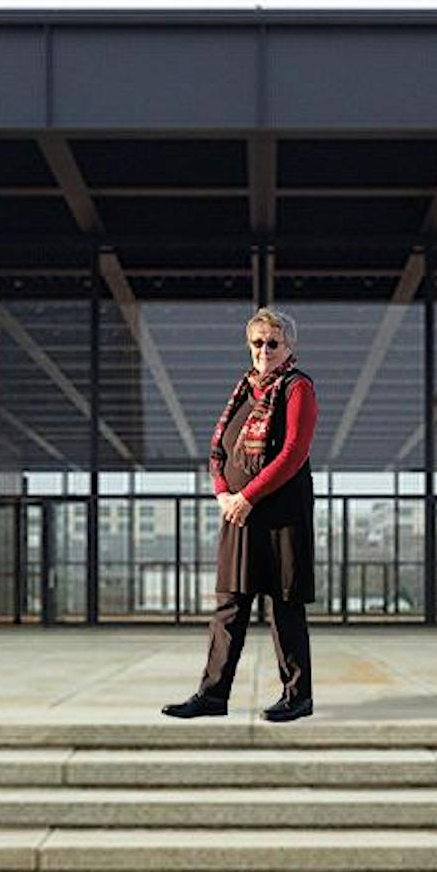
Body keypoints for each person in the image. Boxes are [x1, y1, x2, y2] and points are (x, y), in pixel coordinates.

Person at [163, 307, 317, 723]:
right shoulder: (243, 392)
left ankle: (297, 696)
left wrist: (247, 495)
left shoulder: (297, 387)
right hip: (240, 516)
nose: (264, 350)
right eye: (257, 342)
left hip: (282, 515)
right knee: (229, 606)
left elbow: (292, 453)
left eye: (273, 343)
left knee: (285, 606)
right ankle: (212, 696)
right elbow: (218, 452)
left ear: (289, 347)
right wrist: (223, 494)